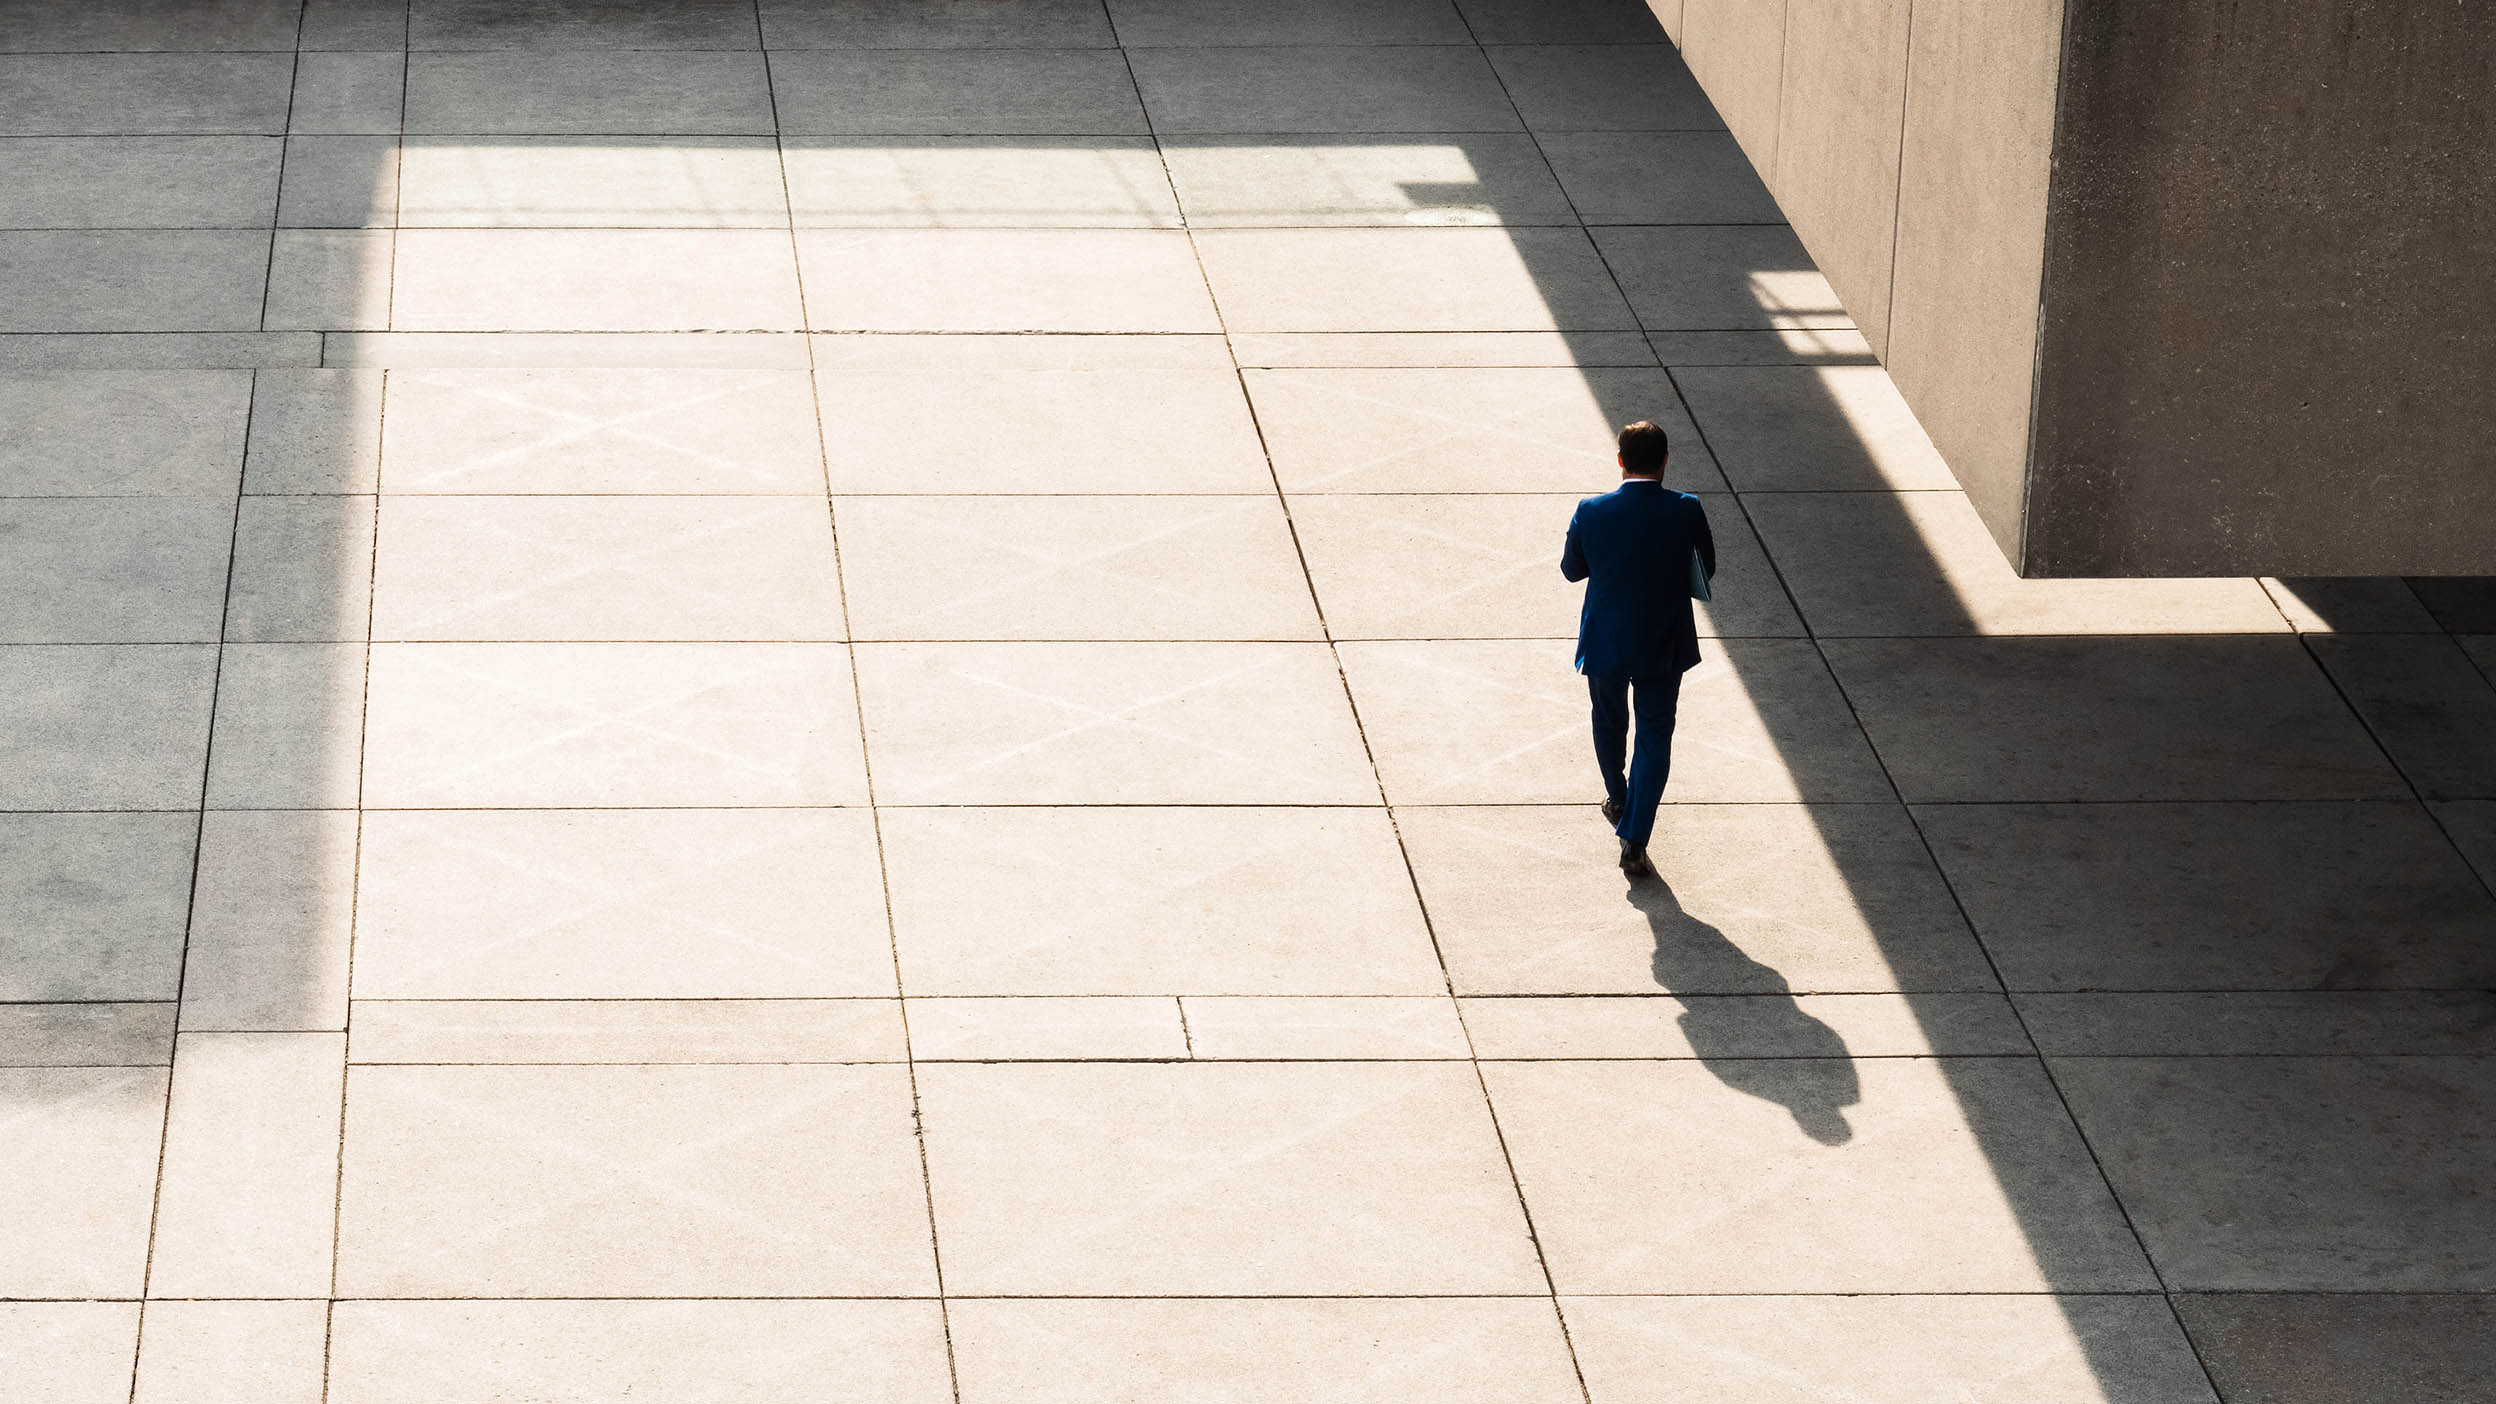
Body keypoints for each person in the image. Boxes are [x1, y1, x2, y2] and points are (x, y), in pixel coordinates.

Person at [1561, 420, 1715, 879]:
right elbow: (1706, 567)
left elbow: (1572, 570)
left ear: (1620, 461)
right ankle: (1635, 837)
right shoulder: (1686, 508)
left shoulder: (1591, 510)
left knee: (1608, 721)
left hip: (1606, 639)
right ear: (1665, 460)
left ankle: (1618, 797)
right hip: (1664, 642)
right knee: (1654, 737)